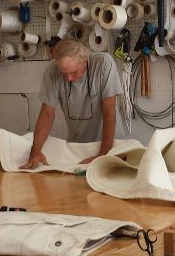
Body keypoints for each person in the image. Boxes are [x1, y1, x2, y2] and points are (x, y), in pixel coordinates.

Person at [20, 39, 123, 169]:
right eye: (64, 73)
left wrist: (103, 156)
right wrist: (35, 152)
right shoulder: (52, 71)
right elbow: (47, 114)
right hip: (78, 148)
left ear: (85, 61)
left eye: (74, 72)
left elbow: (109, 112)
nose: (68, 78)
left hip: (111, 145)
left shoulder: (103, 64)